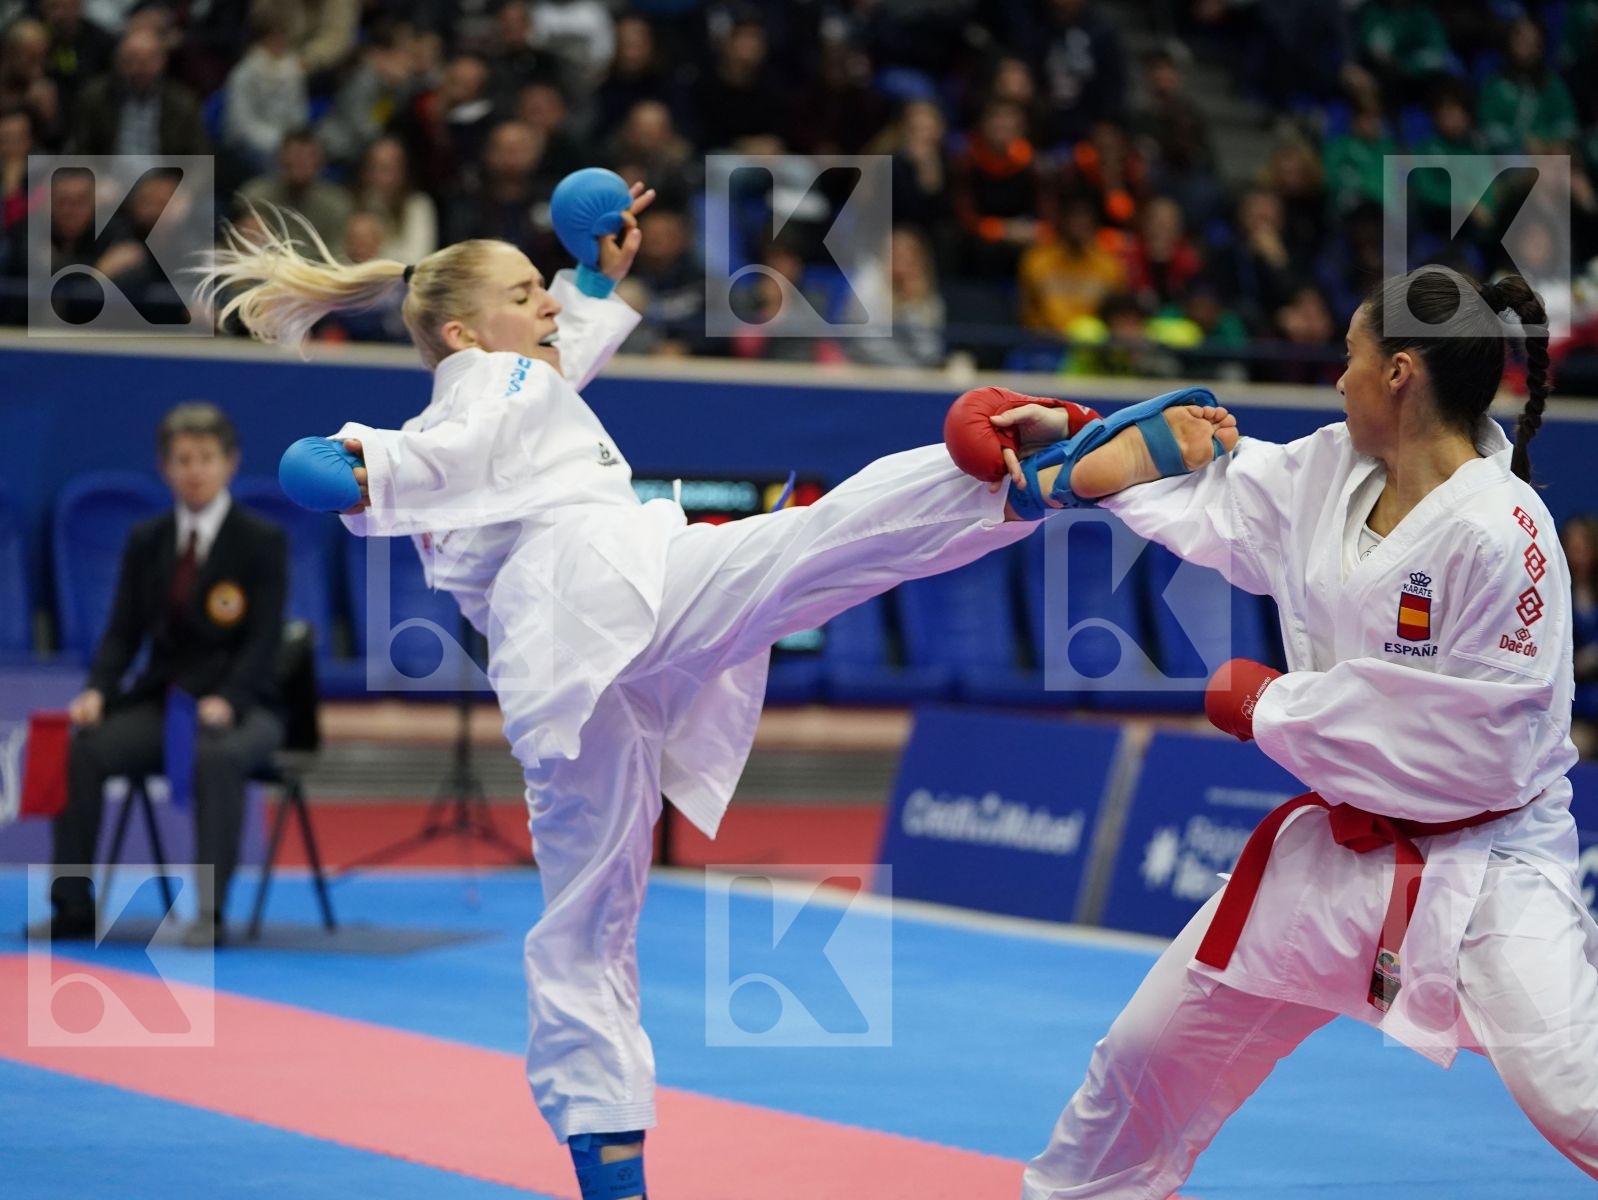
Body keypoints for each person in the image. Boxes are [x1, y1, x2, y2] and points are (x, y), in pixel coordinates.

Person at [202, 175, 1234, 1200]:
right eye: (524, 296)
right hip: (620, 595)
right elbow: (433, 442)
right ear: (467, 336)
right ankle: (1015, 474)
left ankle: (609, 1170)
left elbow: (542, 361)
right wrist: (350, 464)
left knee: (584, 923)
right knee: (810, 546)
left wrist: (585, 270)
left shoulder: (517, 381)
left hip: (557, 678)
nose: (548, 306)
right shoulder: (497, 390)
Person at [966, 267, 1598, 1193]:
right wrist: (1074, 437)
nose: (1337, 379)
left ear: (1400, 373)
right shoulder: (1329, 468)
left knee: (1576, 1097)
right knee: (1143, 1062)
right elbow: (1209, 490)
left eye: (1350, 357)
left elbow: (1479, 748)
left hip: (1485, 870)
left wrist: (1276, 709)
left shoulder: (1508, 532)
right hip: (1334, 858)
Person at [49, 403, 287, 948]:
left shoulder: (261, 541)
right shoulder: (148, 540)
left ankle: (208, 911)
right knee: (84, 749)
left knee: (216, 754)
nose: (195, 470)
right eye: (183, 460)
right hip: (164, 704)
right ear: (165, 468)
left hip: (246, 708)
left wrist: (229, 698)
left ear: (231, 463)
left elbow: (263, 639)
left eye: (206, 458)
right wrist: (97, 691)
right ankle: (71, 906)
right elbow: (122, 633)